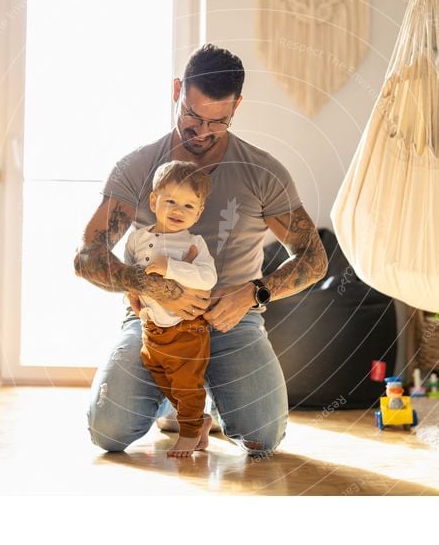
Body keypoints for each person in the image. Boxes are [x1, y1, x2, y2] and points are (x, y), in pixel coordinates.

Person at [74, 43, 328, 457]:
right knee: (108, 431)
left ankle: (193, 398)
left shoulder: (263, 172)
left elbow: (314, 259)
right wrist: (148, 286)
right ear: (177, 91)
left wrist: (254, 293)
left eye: (218, 122)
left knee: (263, 437)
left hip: (234, 323)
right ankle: (176, 399)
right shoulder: (138, 168)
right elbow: (87, 257)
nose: (202, 131)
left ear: (238, 106)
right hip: (153, 324)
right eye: (193, 116)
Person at [127, 161, 218, 457]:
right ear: (154, 201)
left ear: (199, 212)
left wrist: (171, 267)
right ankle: (199, 421)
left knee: (187, 384)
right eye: (171, 202)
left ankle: (190, 434)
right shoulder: (137, 238)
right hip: (151, 329)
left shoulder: (193, 242)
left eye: (189, 206)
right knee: (160, 375)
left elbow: (208, 278)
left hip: (186, 330)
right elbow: (128, 272)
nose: (179, 211)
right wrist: (132, 293)